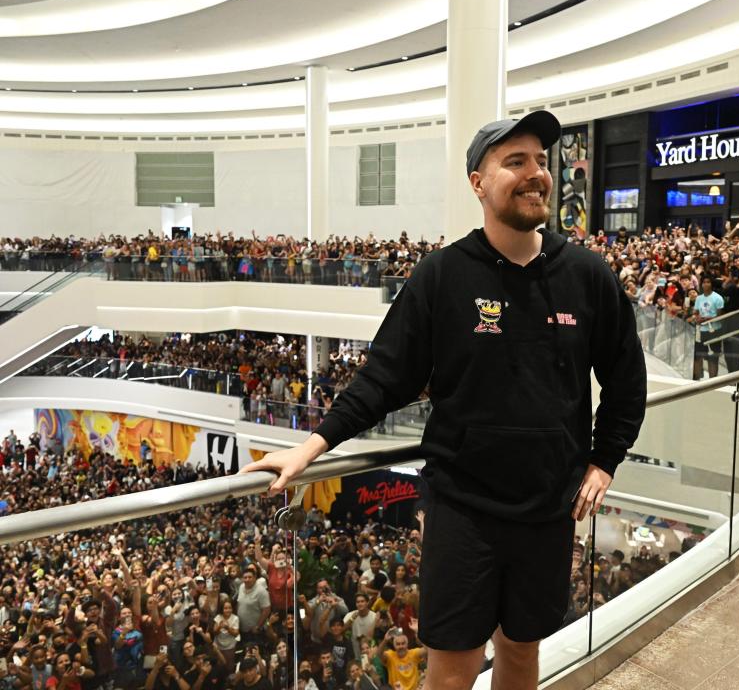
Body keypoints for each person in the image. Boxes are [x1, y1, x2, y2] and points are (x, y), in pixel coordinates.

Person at [241, 109, 647, 690]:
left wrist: (605, 459)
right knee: (451, 670)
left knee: (522, 654)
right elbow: (384, 379)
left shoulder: (586, 274)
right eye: (515, 162)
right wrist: (311, 447)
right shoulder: (443, 275)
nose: (536, 174)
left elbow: (627, 379)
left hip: (548, 509)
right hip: (463, 510)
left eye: (541, 161)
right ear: (478, 183)